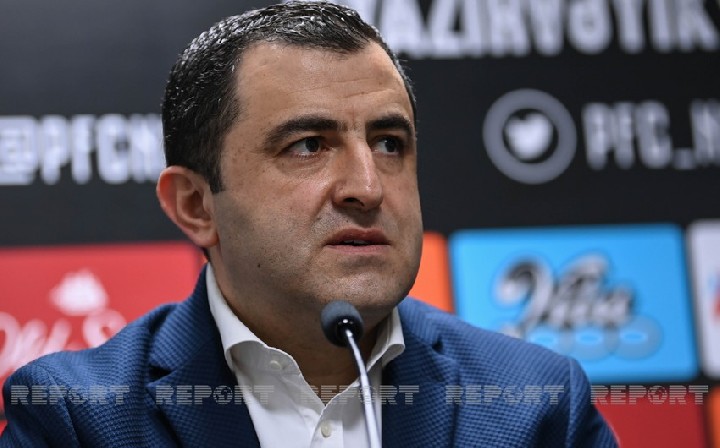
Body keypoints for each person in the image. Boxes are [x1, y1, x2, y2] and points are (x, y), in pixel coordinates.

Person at [1, 1, 617, 446]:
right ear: (195, 205)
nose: (367, 188)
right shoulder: (78, 419)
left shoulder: (537, 405)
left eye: (389, 143)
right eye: (308, 146)